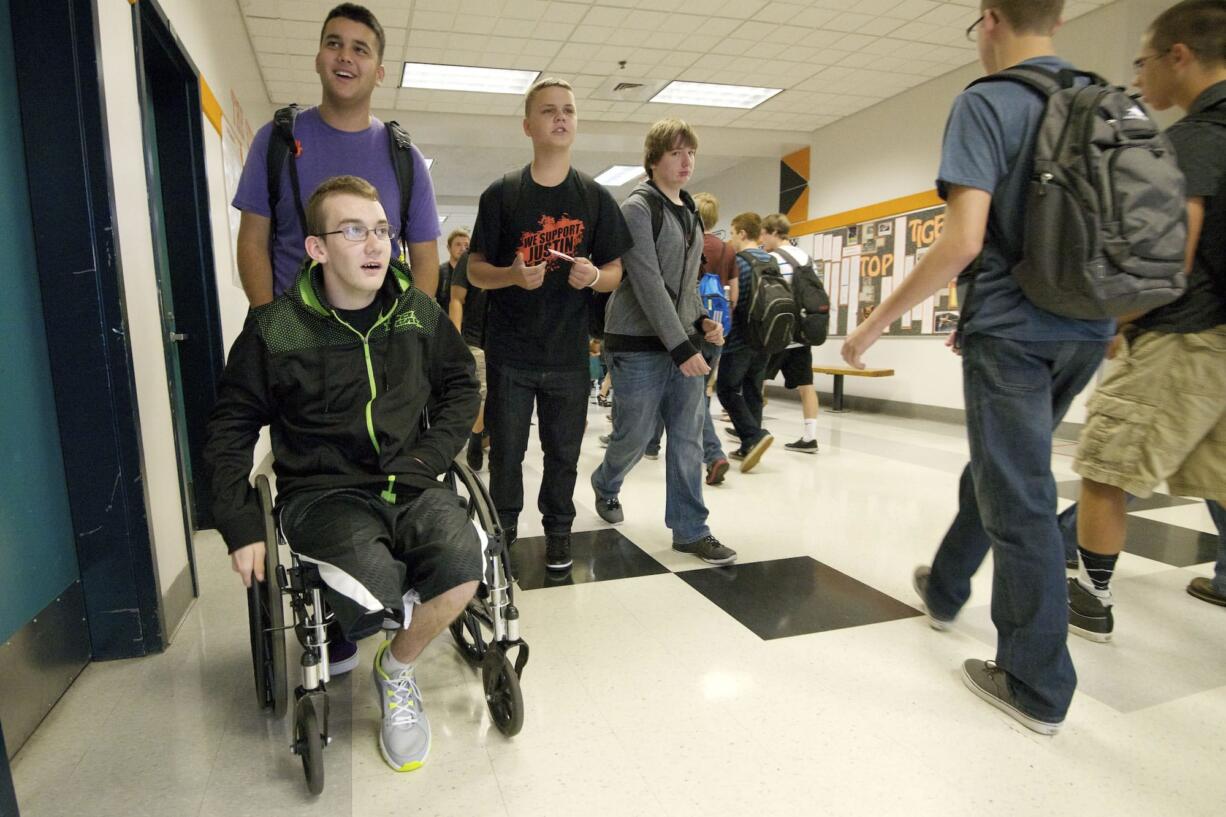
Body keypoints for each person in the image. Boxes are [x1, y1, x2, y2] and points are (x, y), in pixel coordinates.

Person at [842, 0, 1114, 736]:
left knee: (1019, 490)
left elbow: (962, 241)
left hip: (1014, 331)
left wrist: (871, 322)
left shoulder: (987, 101)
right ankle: (948, 582)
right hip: (1087, 327)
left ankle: (1034, 679)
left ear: (990, 19)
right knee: (1007, 467)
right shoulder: (1099, 94)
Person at [204, 176, 483, 772]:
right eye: (354, 230)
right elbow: (230, 424)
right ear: (317, 249)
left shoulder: (417, 314)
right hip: (322, 493)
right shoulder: (276, 328)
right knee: (372, 593)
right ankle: (375, 615)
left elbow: (461, 386)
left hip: (411, 480)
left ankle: (396, 669)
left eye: (381, 230)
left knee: (465, 569)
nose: (375, 244)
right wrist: (238, 522)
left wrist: (429, 457)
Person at [1068, 0, 1226, 640]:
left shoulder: (1191, 141)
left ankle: (1091, 599)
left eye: (1143, 62)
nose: (1139, 79)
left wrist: (1117, 320)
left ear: (1179, 56)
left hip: (1184, 337)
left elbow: (1170, 262)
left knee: (1106, 468)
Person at [467, 78, 632, 571]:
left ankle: (559, 531)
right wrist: (512, 275)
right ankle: (504, 531)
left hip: (567, 355)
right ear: (528, 125)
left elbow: (616, 275)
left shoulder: (595, 198)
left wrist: (595, 275)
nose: (560, 118)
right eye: (548, 111)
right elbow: (475, 270)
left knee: (563, 453)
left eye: (568, 111)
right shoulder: (502, 194)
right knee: (507, 454)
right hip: (511, 353)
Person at [590, 119, 736, 566]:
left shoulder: (688, 211)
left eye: (690, 152)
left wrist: (702, 322)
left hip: (681, 341)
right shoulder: (637, 208)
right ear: (654, 159)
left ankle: (691, 530)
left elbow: (684, 284)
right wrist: (682, 347)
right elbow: (650, 284)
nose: (686, 160)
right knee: (633, 436)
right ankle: (605, 483)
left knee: (688, 439)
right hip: (636, 343)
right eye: (676, 153)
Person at [231, 3, 440, 306]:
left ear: (379, 73)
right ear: (318, 60)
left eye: (360, 49)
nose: (345, 56)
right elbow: (252, 241)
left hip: (378, 343)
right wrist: (270, 328)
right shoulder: (275, 141)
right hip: (293, 339)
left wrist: (408, 333)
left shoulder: (405, 159)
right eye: (334, 44)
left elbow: (425, 258)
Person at [642, 192, 732, 485]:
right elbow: (735, 295)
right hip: (714, 327)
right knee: (693, 394)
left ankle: (711, 452)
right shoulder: (726, 249)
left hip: (685, 328)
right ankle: (655, 444)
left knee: (685, 396)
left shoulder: (687, 243)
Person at [715, 212, 776, 473]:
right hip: (767, 336)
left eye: (731, 233)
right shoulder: (770, 259)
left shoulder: (739, 261)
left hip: (741, 336)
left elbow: (734, 301)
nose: (731, 238)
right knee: (753, 389)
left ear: (742, 233)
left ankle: (753, 436)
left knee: (726, 388)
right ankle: (748, 445)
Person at [761, 213, 821, 454]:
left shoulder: (771, 259)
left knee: (757, 381)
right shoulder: (807, 258)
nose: (762, 238)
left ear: (774, 232)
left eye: (764, 233)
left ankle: (752, 428)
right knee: (806, 384)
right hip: (801, 333)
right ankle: (810, 437)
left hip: (777, 332)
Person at [448, 240, 489, 471]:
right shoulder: (470, 258)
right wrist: (455, 340)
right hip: (473, 338)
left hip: (505, 339)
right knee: (481, 392)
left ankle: (481, 433)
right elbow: (456, 299)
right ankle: (475, 435)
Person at [437, 227, 469, 317]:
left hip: (469, 327)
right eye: (458, 244)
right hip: (444, 325)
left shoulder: (474, 275)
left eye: (466, 245)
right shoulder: (440, 272)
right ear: (449, 248)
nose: (463, 248)